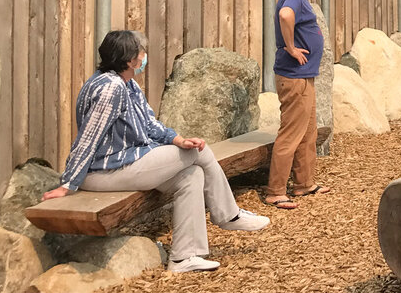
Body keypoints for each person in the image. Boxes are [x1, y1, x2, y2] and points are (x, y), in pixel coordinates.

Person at [42, 30, 270, 273]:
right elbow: (89, 138)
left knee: (191, 176)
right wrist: (67, 184)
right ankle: (229, 215)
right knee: (200, 153)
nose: (145, 57)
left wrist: (178, 139)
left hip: (127, 162)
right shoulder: (110, 88)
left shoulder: (128, 85)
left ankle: (184, 257)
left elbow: (150, 125)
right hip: (103, 171)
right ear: (131, 60)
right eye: (142, 53)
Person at [265, 0, 331, 209]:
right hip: (295, 78)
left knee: (308, 132)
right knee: (291, 134)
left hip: (304, 76)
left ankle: (304, 184)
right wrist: (291, 47)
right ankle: (275, 191)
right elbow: (285, 16)